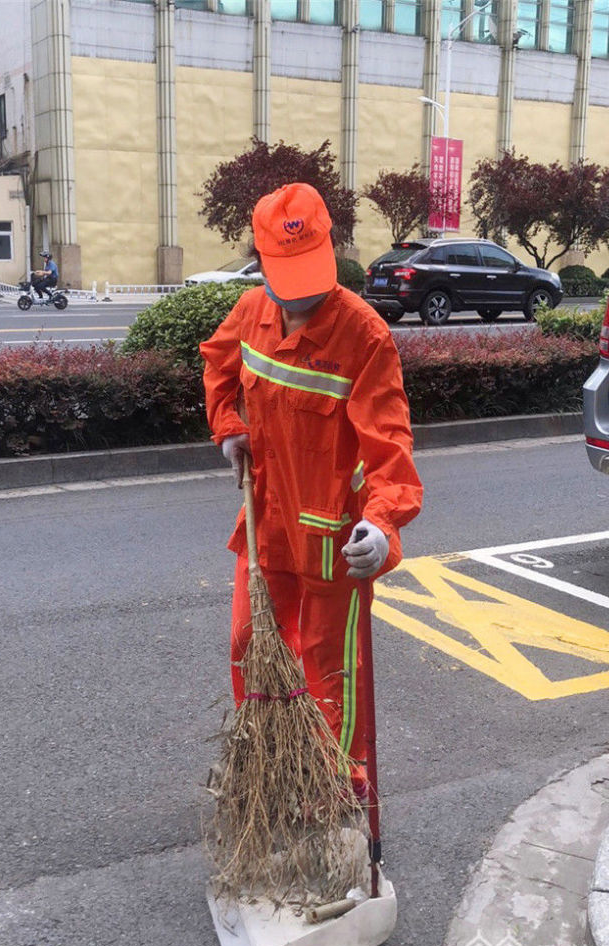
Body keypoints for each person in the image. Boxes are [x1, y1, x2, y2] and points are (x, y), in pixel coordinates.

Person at [200, 182, 423, 799]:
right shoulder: (251, 314)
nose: (300, 294)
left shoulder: (363, 335)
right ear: (262, 261)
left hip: (332, 536)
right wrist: (229, 427)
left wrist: (382, 525)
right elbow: (217, 364)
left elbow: (389, 448)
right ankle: (267, 760)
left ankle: (336, 786)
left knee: (332, 669)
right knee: (251, 645)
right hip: (267, 520)